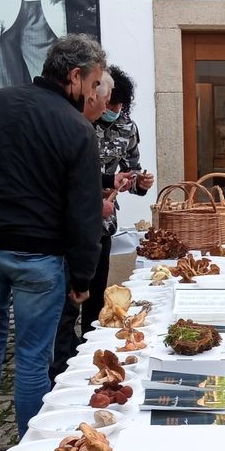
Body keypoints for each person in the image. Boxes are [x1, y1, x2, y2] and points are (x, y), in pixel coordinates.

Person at [0, 33, 105, 451]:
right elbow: (84, 212)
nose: (94, 93)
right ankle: (30, 449)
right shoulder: (76, 127)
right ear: (74, 77)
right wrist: (83, 277)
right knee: (32, 355)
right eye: (94, 83)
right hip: (37, 254)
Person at [50, 65, 153, 381]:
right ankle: (62, 366)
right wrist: (101, 192)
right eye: (110, 103)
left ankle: (93, 357)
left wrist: (140, 183)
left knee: (97, 298)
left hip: (103, 225)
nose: (113, 109)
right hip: (71, 224)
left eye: (118, 104)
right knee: (68, 301)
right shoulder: (76, 122)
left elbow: (130, 172)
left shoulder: (127, 128)